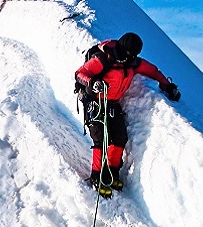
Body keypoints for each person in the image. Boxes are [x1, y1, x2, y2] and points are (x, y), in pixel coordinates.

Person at [74, 32, 181, 197]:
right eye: (129, 53)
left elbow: (152, 71)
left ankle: (112, 172)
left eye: (134, 55)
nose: (131, 57)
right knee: (100, 139)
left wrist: (167, 85)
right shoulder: (104, 59)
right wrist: (93, 83)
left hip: (113, 104)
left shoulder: (132, 63)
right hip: (96, 101)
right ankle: (97, 176)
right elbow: (80, 73)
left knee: (119, 138)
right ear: (122, 48)